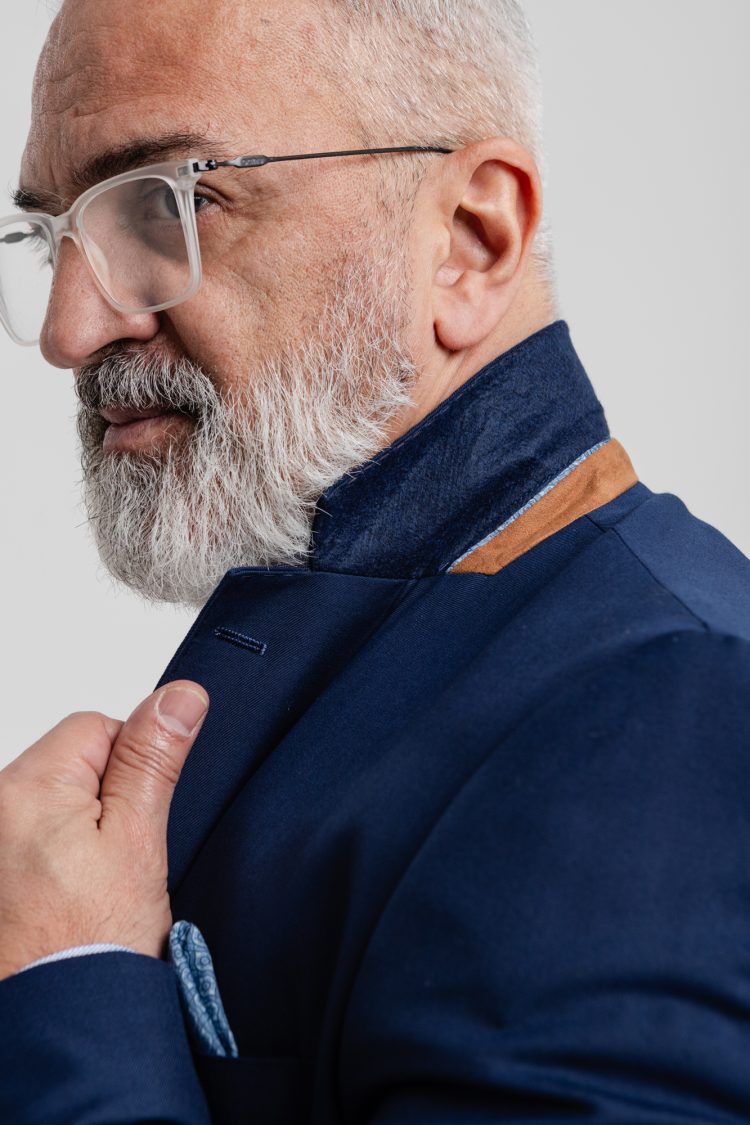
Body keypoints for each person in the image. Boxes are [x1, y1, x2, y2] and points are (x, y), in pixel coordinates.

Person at [0, 0, 749, 1121]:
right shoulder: (410, 645)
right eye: (51, 236)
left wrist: (74, 986)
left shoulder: (665, 718)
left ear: (471, 240)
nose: (70, 330)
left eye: (171, 204)